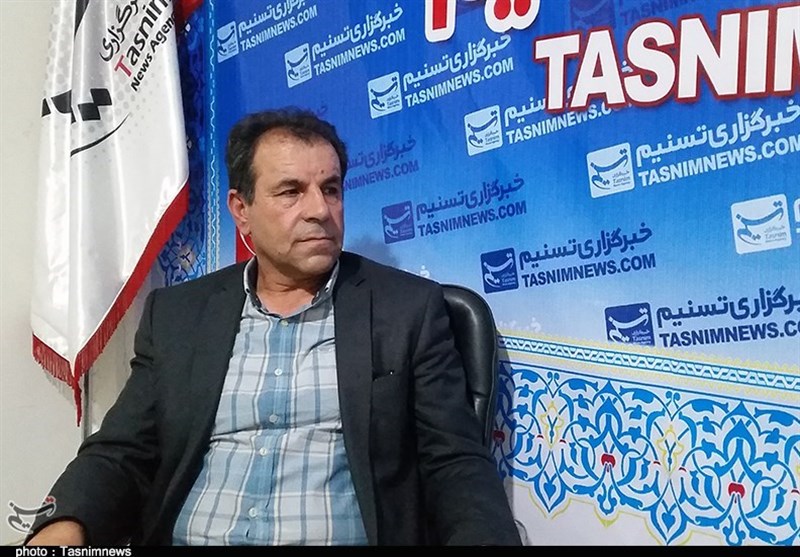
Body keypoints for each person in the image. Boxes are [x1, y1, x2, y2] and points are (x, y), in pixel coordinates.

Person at [26, 108, 522, 546]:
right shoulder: (178, 315)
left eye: (330, 189)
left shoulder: (407, 309)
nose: (320, 210)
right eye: (291, 192)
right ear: (241, 211)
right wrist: (64, 525)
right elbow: (122, 452)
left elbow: (455, 464)